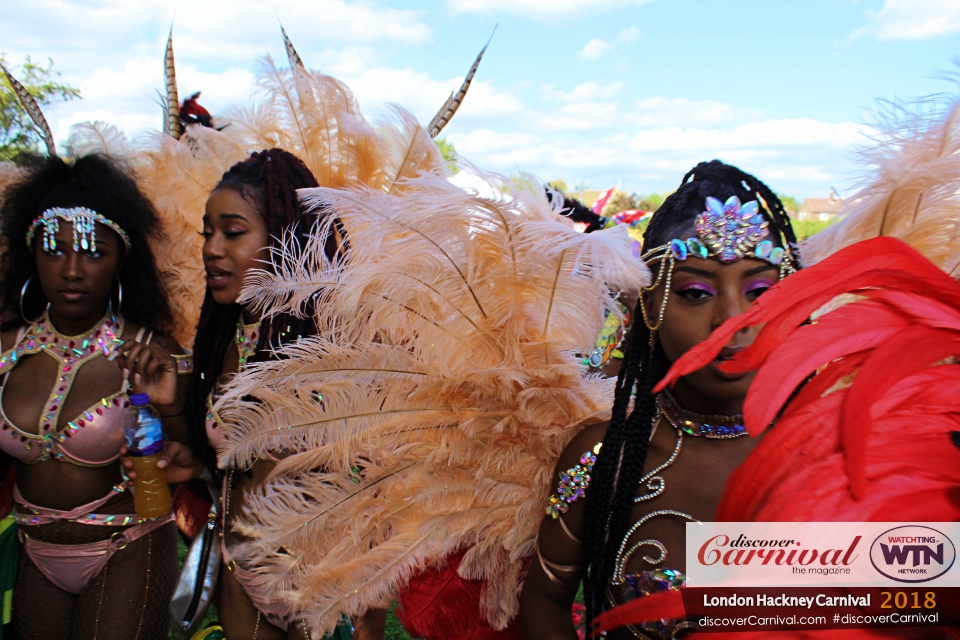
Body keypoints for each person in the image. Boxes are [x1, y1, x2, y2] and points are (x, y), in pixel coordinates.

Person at [518, 160, 800, 640]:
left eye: (759, 291)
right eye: (695, 292)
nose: (732, 319)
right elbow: (544, 599)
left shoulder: (843, 456)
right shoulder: (604, 459)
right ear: (649, 306)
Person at [121, 147, 353, 640]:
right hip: (239, 569)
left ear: (284, 237)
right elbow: (229, 466)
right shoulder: (222, 340)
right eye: (208, 231)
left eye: (233, 231)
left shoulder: (336, 343)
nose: (211, 248)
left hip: (316, 582)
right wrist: (172, 413)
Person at [0, 153, 182, 639]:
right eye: (54, 250)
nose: (73, 270)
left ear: (121, 260)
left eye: (93, 253)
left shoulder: (151, 353)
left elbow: (196, 459)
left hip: (129, 546)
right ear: (30, 254)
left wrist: (167, 405)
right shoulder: (5, 352)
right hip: (34, 548)